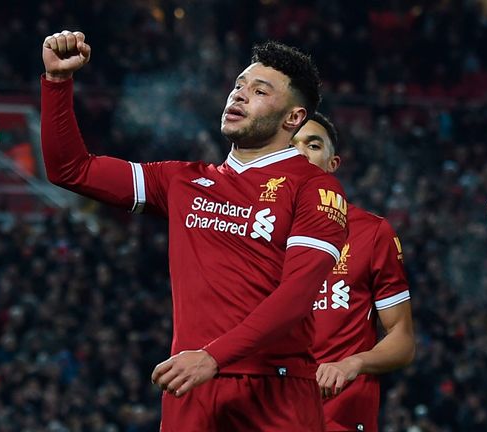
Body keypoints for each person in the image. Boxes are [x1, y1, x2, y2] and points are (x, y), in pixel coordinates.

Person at [41, 30, 348, 431]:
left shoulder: (315, 186)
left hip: (275, 392)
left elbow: (297, 295)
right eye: (238, 85)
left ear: (294, 118)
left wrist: (214, 357)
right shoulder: (183, 181)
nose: (238, 95)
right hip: (191, 386)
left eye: (259, 91)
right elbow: (71, 169)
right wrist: (58, 83)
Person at [292, 112, 415, 432]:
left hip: (340, 416)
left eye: (313, 144)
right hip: (271, 412)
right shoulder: (259, 234)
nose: (300, 153)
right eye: (290, 145)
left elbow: (402, 339)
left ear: (333, 163)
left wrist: (353, 363)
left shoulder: (372, 233)